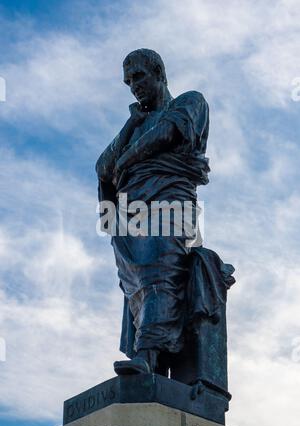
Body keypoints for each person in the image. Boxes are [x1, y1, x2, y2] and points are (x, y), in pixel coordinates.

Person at [96, 49, 234, 390]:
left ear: (159, 72)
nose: (134, 86)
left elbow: (169, 133)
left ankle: (147, 355)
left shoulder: (190, 101)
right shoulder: (136, 125)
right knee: (137, 287)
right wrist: (131, 122)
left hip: (169, 203)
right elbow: (102, 168)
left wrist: (126, 159)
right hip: (130, 214)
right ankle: (148, 360)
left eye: (139, 76)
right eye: (128, 81)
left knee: (161, 270)